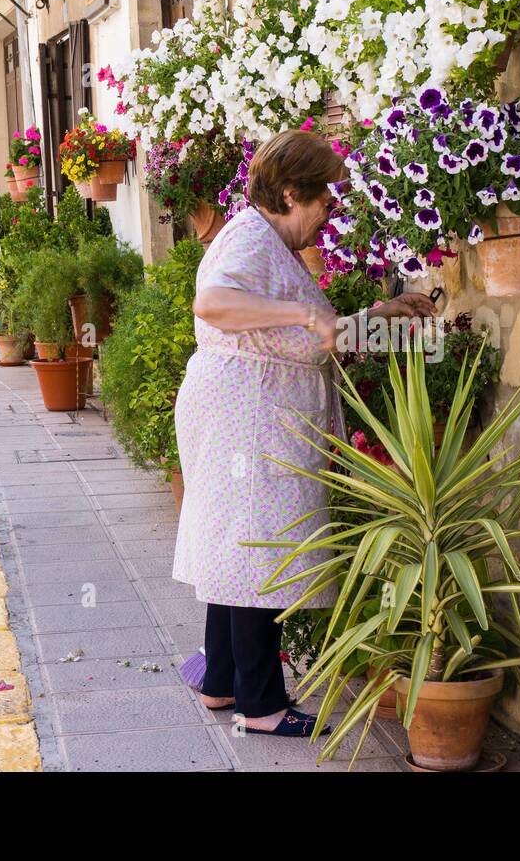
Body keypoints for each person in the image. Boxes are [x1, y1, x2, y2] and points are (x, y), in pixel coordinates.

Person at [172, 128, 435, 736]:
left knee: (239, 541)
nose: (329, 215)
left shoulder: (270, 243)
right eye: (325, 202)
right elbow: (211, 303)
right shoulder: (249, 237)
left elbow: (312, 340)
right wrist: (300, 310)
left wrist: (380, 318)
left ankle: (222, 684)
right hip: (247, 415)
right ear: (292, 193)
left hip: (250, 412)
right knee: (256, 548)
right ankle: (261, 705)